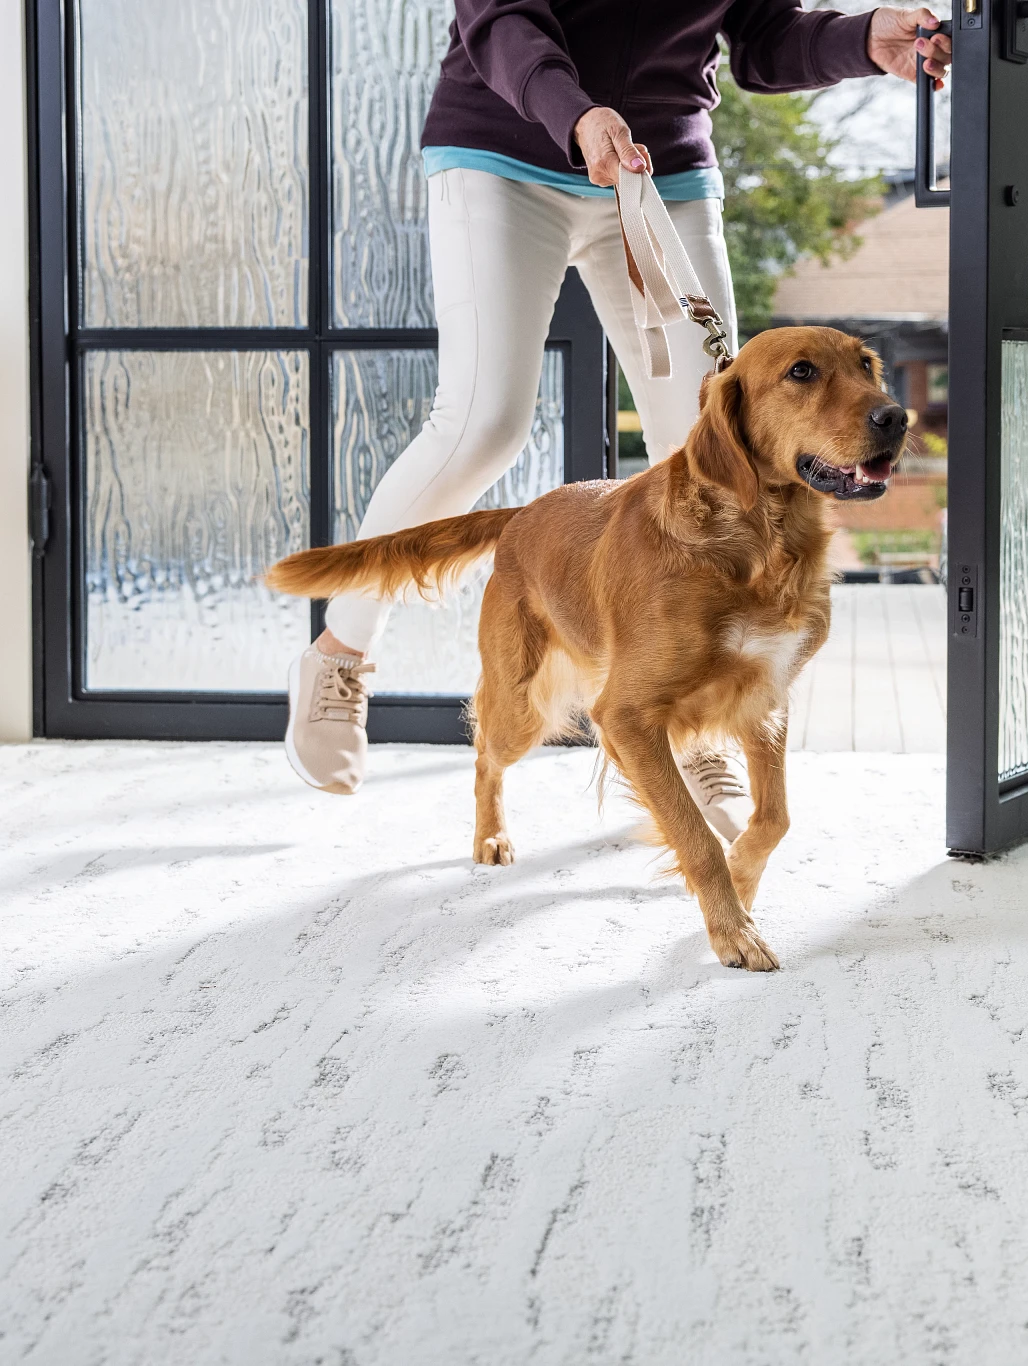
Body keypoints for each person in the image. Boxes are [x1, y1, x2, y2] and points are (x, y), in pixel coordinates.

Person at [287, 1, 951, 834]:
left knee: (714, 445)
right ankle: (340, 653)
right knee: (483, 421)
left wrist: (861, 38)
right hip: (505, 149)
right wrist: (577, 113)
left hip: (660, 162)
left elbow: (761, 35)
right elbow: (499, 20)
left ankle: (693, 716)